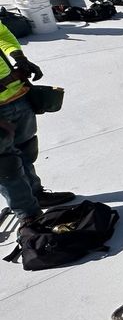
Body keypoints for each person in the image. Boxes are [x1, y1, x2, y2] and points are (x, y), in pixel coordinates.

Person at [0, 24, 74, 223]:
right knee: (6, 166)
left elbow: (2, 33)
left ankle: (35, 193)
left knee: (26, 149)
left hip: (18, 94)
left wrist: (18, 57)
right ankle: (29, 216)